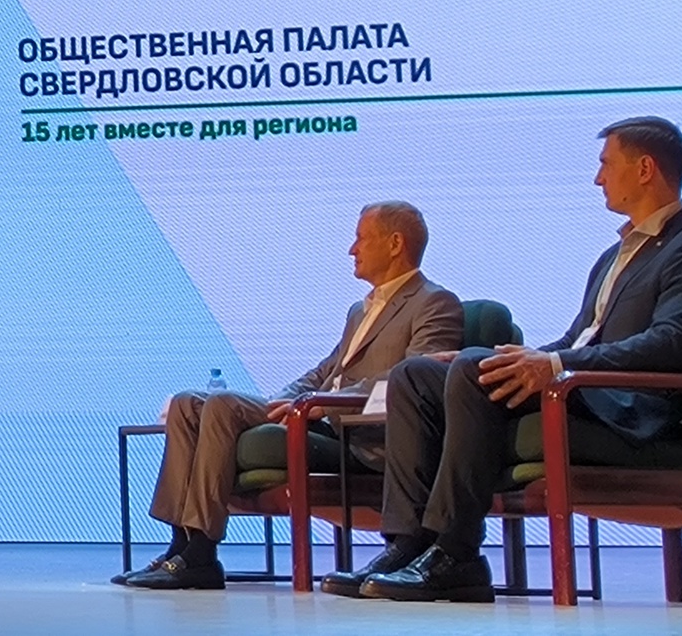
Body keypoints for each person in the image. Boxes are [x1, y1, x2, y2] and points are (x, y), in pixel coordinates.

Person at [329, 116, 682, 603]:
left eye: (606, 164)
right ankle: (410, 544)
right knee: (420, 374)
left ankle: (457, 555)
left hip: (630, 406)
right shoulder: (615, 255)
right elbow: (578, 337)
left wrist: (556, 365)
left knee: (472, 370)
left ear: (645, 169)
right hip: (585, 388)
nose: (598, 178)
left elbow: (676, 342)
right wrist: (529, 358)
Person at [121, 201, 460, 590]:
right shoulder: (360, 310)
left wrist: (319, 404)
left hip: (358, 434)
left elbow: (415, 379)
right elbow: (324, 371)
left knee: (222, 405)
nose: (352, 249)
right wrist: (284, 400)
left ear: (396, 243)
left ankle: (201, 551)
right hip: (316, 413)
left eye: (361, 239)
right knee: (187, 403)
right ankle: (182, 543)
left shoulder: (434, 302)